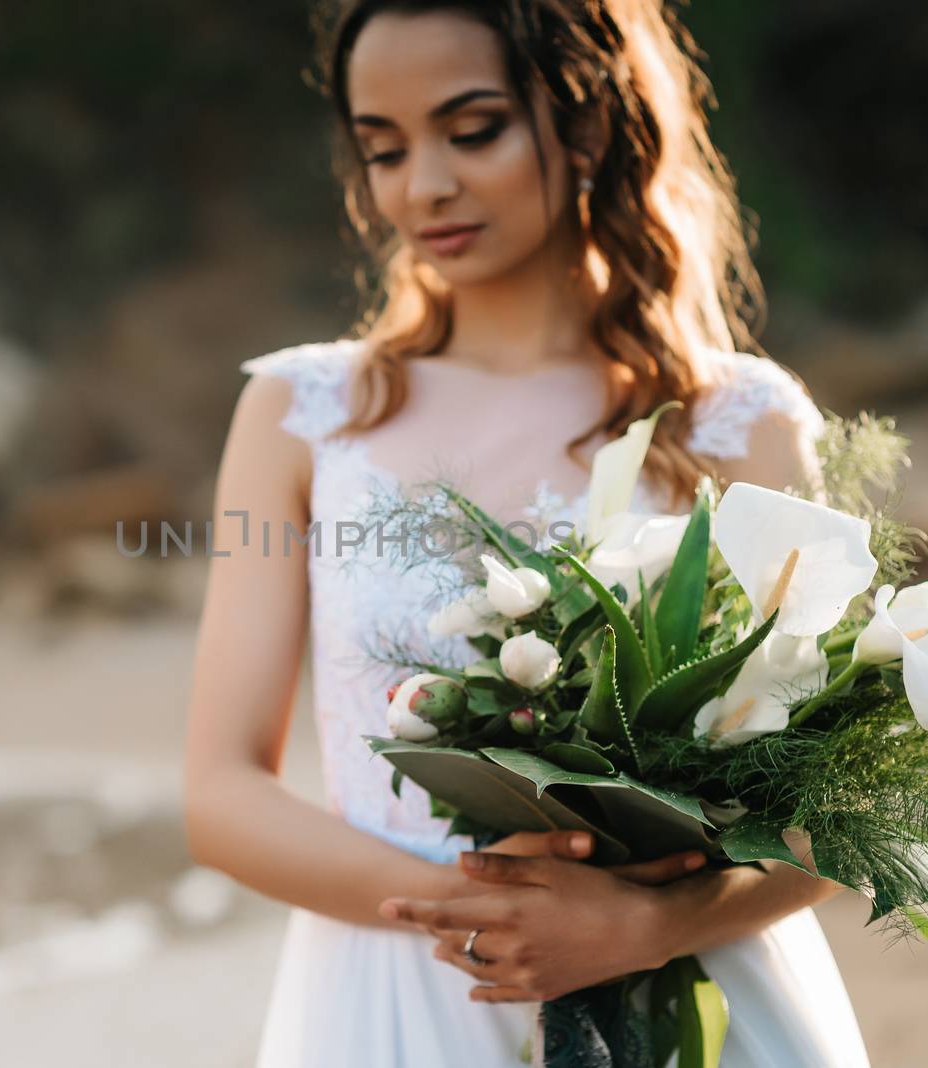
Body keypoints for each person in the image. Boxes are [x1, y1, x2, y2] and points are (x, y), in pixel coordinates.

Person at [183, 1, 870, 1064]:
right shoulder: (301, 415)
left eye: (472, 130)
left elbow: (846, 800)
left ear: (588, 125)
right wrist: (483, 912)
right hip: (394, 997)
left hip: (692, 990)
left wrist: (647, 924)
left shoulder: (736, 422)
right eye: (384, 148)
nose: (424, 187)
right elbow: (221, 793)